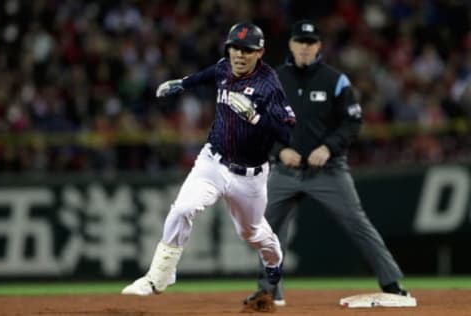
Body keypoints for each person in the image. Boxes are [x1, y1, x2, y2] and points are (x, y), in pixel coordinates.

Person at [121, 22, 296, 296]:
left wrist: (256, 117)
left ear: (260, 52)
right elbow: (211, 73)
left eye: (246, 50)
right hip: (212, 162)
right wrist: (183, 83)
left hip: (249, 176)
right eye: (234, 48)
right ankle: (159, 276)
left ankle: (273, 257)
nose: (239, 54)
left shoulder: (268, 84)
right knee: (182, 209)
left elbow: (287, 133)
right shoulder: (225, 66)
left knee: (250, 234)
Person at [245, 19, 409, 307]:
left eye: (310, 42)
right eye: (300, 41)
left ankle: (391, 283)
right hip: (285, 170)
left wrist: (329, 148)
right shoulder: (273, 79)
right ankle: (269, 291)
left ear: (318, 45)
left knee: (357, 223)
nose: (305, 47)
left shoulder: (335, 80)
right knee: (268, 229)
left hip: (328, 170)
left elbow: (353, 121)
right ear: (291, 44)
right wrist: (279, 150)